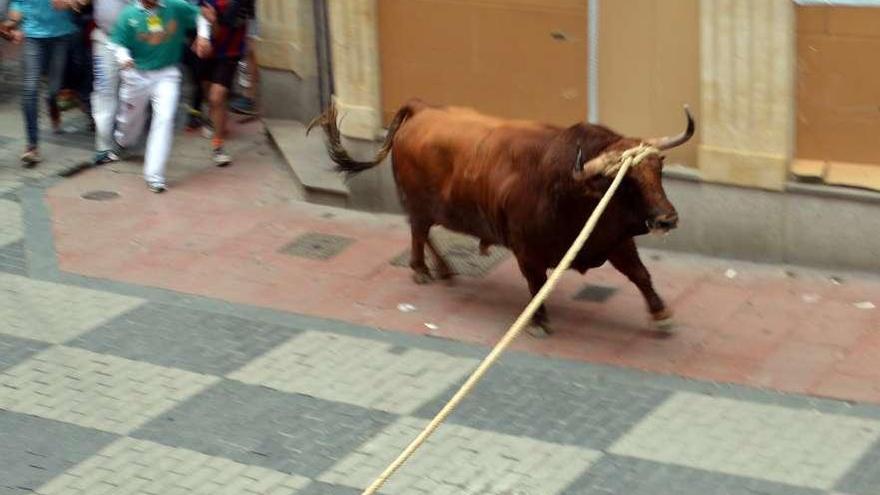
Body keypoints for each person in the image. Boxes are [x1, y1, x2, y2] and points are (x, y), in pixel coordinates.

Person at [110, 0, 211, 192]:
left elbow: (200, 15)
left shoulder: (175, 6)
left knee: (164, 119)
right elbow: (117, 43)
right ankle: (122, 141)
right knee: (131, 117)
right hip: (136, 75)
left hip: (167, 74)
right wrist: (124, 57)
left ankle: (155, 175)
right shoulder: (128, 15)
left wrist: (204, 36)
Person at [5, 0, 79, 166]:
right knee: (30, 89)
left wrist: (71, 3)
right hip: (33, 36)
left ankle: (52, 101)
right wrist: (14, 22)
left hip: (60, 35)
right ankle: (32, 146)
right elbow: (17, 4)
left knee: (54, 90)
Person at [198, 0, 253, 166]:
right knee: (210, 95)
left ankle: (218, 146)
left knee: (217, 97)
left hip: (230, 53)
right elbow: (202, 15)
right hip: (207, 52)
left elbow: (249, 21)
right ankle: (215, 118)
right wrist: (203, 35)